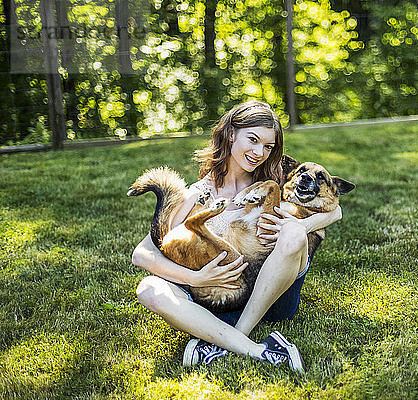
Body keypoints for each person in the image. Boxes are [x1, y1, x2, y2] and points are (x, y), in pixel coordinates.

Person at [132, 101, 342, 372]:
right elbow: (142, 253)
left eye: (268, 147)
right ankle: (255, 349)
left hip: (274, 297)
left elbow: (334, 210)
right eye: (253, 140)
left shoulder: (276, 178)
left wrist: (305, 224)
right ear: (231, 134)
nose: (259, 153)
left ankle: (232, 336)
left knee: (293, 231)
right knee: (148, 289)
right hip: (220, 296)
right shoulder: (198, 193)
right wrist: (196, 278)